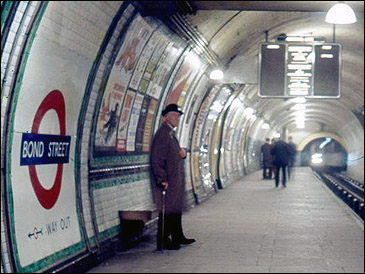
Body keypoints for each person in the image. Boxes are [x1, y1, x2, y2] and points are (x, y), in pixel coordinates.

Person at [150, 104, 195, 251]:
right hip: (168, 181)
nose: (178, 118)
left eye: (178, 116)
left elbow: (173, 153)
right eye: (175, 115)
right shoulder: (163, 134)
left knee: (175, 209)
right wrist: (161, 178)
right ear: (166, 117)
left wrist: (183, 153)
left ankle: (177, 236)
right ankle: (163, 240)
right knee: (167, 210)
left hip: (175, 180)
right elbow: (157, 158)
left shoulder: (170, 133)